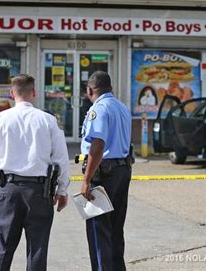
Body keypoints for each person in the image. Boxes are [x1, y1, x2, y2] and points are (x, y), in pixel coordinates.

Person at [0, 74, 70, 271]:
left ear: (12, 94)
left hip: (8, 190)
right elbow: (61, 159)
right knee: (37, 250)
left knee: (3, 250)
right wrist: (62, 190)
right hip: (40, 192)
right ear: (34, 93)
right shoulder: (48, 121)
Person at [80, 71, 132, 271]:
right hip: (122, 171)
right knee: (115, 230)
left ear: (90, 90)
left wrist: (87, 179)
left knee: (98, 231)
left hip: (103, 175)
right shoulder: (122, 107)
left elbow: (98, 145)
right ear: (110, 88)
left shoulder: (99, 109)